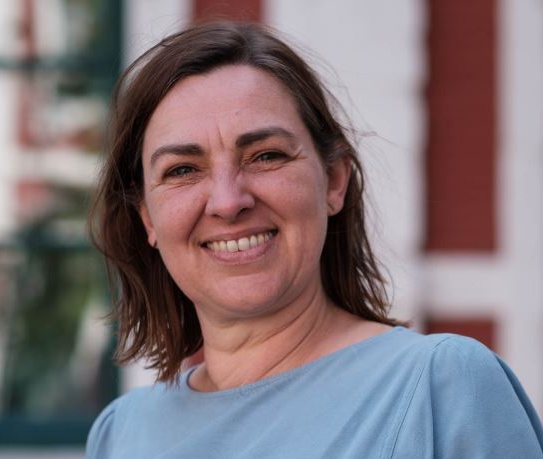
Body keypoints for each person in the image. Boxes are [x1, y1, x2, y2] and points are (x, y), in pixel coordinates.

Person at [86, 21, 543, 458]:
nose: (228, 202)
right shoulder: (120, 434)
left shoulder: (441, 387)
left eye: (266, 156)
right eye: (183, 170)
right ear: (147, 217)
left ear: (334, 181)